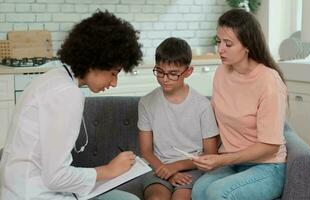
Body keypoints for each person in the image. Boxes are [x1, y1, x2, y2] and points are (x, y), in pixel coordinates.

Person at [0, 11, 143, 200]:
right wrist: (108, 170)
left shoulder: (54, 78)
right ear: (95, 62)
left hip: (18, 189)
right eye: (114, 73)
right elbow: (55, 177)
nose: (114, 83)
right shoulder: (67, 93)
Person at [191, 9, 288, 200]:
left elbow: (270, 146)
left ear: (247, 46)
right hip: (233, 163)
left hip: (268, 166)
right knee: (199, 190)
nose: (220, 49)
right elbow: (214, 119)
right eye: (218, 42)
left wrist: (221, 160)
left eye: (228, 43)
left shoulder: (269, 81)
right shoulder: (221, 73)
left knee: (218, 194)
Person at [138, 37, 219, 200]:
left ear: (188, 71)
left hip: (193, 169)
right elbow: (146, 151)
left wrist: (175, 167)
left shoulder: (202, 105)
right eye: (159, 72)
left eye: (173, 74)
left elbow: (211, 153)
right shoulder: (146, 102)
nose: (165, 79)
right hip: (158, 167)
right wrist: (166, 171)